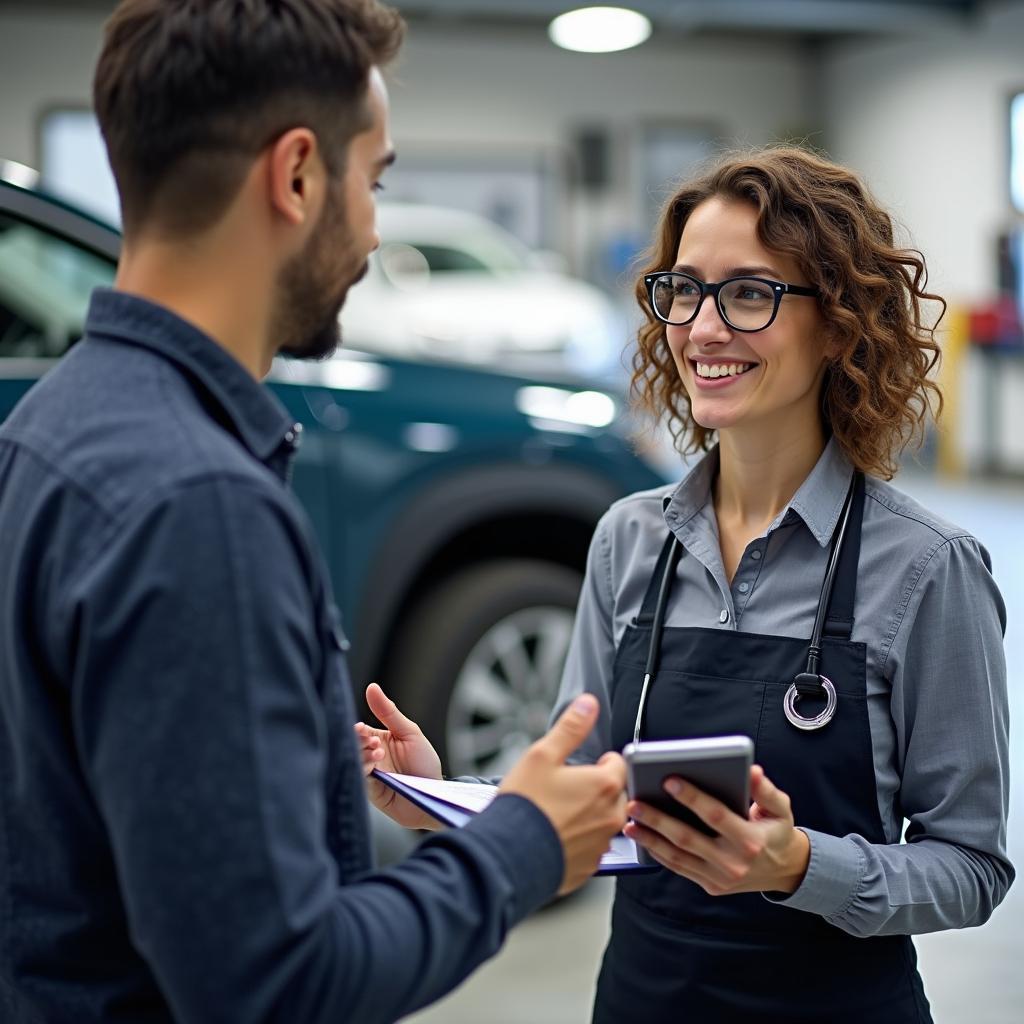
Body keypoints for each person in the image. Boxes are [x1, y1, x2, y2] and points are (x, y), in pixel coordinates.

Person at [0, 2, 629, 1022]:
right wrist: (520, 841)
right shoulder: (197, 505)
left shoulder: (53, 424)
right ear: (295, 174)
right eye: (372, 180)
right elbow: (278, 984)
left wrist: (301, 778)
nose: (375, 228)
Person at [361, 147, 1014, 1023]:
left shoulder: (928, 569)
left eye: (749, 293)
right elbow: (581, 791)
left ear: (838, 324)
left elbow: (971, 869)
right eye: (684, 289)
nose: (703, 329)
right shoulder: (629, 540)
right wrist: (440, 799)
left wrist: (798, 865)